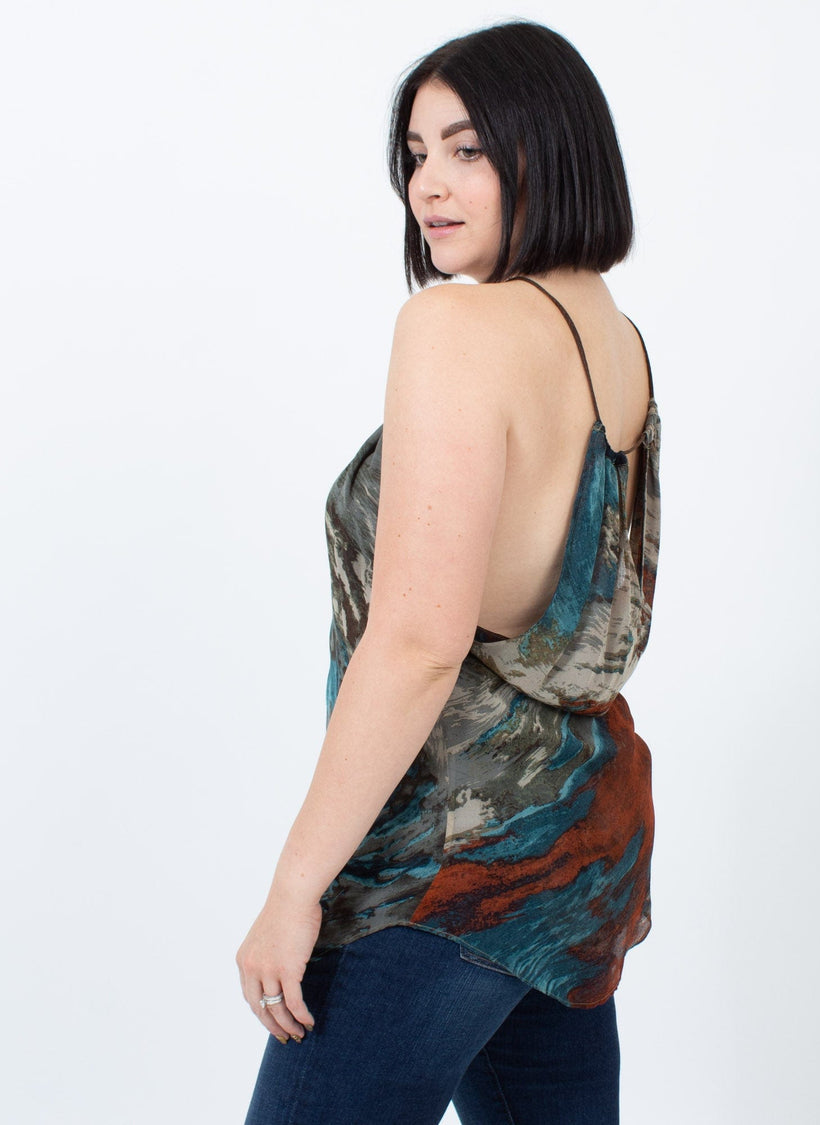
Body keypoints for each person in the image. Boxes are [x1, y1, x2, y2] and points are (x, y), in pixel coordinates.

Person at [236, 18, 661, 1125]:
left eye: (468, 148)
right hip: (574, 843)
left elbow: (422, 642)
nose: (430, 183)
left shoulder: (456, 327)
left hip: (444, 866)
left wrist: (295, 888)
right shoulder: (609, 333)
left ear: (548, 145)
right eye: (417, 152)